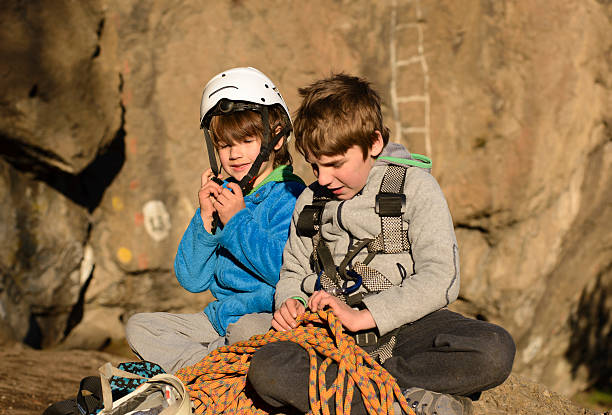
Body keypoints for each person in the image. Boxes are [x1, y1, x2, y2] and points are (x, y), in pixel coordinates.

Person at [246, 74, 515, 415]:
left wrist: (366, 316)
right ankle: (407, 402)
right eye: (315, 166)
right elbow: (292, 272)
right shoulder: (310, 203)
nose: (324, 178)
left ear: (372, 143)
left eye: (336, 164)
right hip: (332, 336)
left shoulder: (414, 188)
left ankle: (366, 394)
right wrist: (291, 303)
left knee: (493, 349)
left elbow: (441, 277)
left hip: (408, 326)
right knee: (268, 368)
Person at [126, 67, 305, 374]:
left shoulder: (290, 195)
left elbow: (284, 270)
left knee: (248, 333)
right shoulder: (223, 195)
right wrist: (205, 221)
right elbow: (192, 280)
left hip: (263, 315)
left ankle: (199, 370)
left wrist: (236, 220)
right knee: (140, 327)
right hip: (217, 320)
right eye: (224, 145)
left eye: (246, 140)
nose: (234, 154)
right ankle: (213, 366)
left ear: (275, 139)